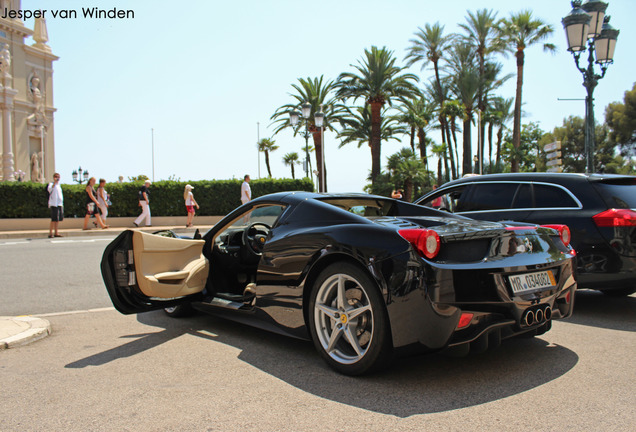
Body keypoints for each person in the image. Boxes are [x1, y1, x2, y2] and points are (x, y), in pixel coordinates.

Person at [47, 173, 63, 238]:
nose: (57, 178)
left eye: (58, 177)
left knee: (57, 219)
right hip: (54, 204)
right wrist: (54, 183)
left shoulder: (59, 186)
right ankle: (50, 233)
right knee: (53, 219)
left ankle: (56, 232)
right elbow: (49, 190)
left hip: (59, 204)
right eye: (56, 177)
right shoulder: (51, 184)